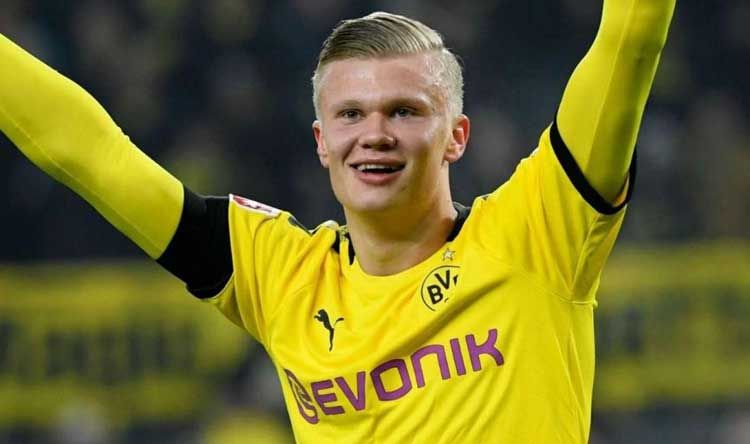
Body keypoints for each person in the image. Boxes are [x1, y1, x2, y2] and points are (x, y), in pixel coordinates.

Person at [0, 0, 675, 442]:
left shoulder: (538, 233)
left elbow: (631, 40)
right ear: (322, 141)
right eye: (351, 114)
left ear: (456, 136)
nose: (374, 134)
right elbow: (93, 155)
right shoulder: (280, 276)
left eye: (405, 111)